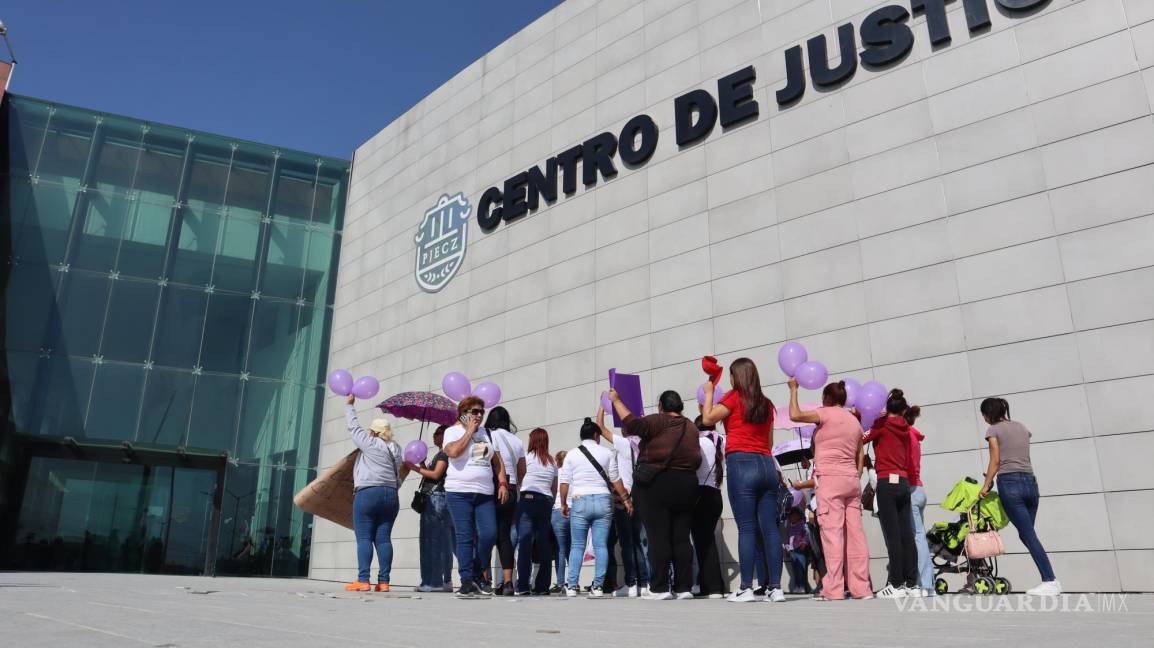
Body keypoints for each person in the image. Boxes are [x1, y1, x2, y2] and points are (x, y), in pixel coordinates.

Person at [700, 357, 785, 603]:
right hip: (766, 464)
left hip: (742, 463)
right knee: (770, 529)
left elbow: (707, 419)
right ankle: (776, 587)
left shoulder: (734, 397)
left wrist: (708, 393)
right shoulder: (767, 404)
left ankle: (746, 587)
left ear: (737, 377)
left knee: (747, 528)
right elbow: (769, 443)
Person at [610, 388, 701, 601]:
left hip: (657, 483)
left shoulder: (658, 421)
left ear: (661, 407)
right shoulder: (691, 426)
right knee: (681, 537)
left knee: (658, 536)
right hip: (687, 483)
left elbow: (632, 424)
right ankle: (683, 587)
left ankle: (659, 587)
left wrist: (616, 400)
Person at [788, 378, 872, 600]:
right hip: (851, 480)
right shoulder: (855, 421)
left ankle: (834, 589)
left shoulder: (824, 413)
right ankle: (861, 588)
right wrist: (856, 472)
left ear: (826, 398)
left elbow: (795, 415)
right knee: (855, 535)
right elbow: (860, 455)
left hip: (830, 480)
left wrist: (794, 389)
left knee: (832, 534)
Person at [978, 397, 1061, 596]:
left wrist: (986, 484)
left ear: (987, 414)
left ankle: (1050, 580)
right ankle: (1048, 580)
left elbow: (996, 460)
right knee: (1026, 534)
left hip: (1010, 483)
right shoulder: (1022, 427)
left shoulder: (993, 430)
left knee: (1029, 534)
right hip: (1031, 483)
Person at [442, 396, 509, 597]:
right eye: (474, 411)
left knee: (489, 535)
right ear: (463, 413)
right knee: (465, 537)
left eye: (481, 411)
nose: (479, 415)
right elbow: (453, 452)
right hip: (458, 492)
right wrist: (469, 431)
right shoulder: (451, 431)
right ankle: (467, 581)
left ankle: (477, 574)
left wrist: (503, 482)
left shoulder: (488, 433)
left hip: (484, 493)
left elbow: (497, 462)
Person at [559, 418, 632, 597]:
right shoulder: (607, 453)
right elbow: (615, 479)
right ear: (596, 435)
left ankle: (573, 586)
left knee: (577, 545)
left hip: (580, 499)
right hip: (603, 500)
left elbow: (564, 482)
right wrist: (625, 499)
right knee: (601, 546)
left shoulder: (572, 454)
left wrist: (563, 503)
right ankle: (598, 586)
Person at [344, 393, 410, 592]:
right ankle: (384, 582)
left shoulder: (371, 443)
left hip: (368, 493)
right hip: (391, 495)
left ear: (373, 432)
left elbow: (353, 427)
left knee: (364, 537)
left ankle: (363, 580)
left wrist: (349, 406)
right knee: (383, 538)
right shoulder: (396, 448)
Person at [862, 388, 920, 598]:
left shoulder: (882, 425)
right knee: (907, 535)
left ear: (887, 408)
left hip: (887, 482)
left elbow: (861, 438)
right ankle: (912, 584)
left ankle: (895, 584)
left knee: (893, 536)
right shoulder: (906, 426)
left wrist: (874, 420)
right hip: (903, 482)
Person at [595, 405, 649, 597]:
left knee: (627, 542)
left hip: (625, 498)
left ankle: (632, 583)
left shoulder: (624, 444)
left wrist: (603, 406)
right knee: (641, 542)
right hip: (643, 497)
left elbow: (600, 427)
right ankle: (645, 582)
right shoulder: (646, 444)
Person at [482, 406, 526, 596]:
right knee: (504, 536)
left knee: (483, 534)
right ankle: (508, 583)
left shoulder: (489, 435)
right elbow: (523, 470)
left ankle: (484, 581)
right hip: (511, 489)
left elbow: (490, 459)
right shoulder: (517, 440)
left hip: (493, 487)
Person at [406, 425, 454, 592]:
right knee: (443, 541)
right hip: (440, 498)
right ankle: (445, 580)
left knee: (431, 541)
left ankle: (433, 582)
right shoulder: (442, 453)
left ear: (444, 435)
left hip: (437, 499)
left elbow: (436, 475)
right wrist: (422, 463)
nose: (433, 437)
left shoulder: (444, 453)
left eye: (436, 434)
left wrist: (415, 468)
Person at [514, 427, 556, 595]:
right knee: (543, 544)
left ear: (532, 440)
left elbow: (520, 478)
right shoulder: (552, 462)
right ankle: (543, 586)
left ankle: (523, 586)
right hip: (546, 502)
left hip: (528, 499)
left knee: (525, 543)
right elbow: (553, 487)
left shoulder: (527, 457)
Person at [691, 414, 725, 598]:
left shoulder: (698, 442)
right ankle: (708, 583)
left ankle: (713, 587)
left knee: (704, 542)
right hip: (715, 494)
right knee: (706, 540)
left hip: (700, 493)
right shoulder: (721, 441)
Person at [906, 409, 933, 596]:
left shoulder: (905, 436)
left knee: (917, 538)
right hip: (919, 488)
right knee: (919, 536)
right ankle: (925, 583)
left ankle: (924, 584)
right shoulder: (913, 435)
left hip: (911, 489)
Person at [550, 450, 570, 593]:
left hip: (557, 510)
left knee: (560, 549)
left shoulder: (556, 473)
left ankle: (561, 582)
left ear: (557, 461)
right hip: (572, 511)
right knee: (572, 549)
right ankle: (573, 581)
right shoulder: (573, 474)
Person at [783, 508, 811, 594]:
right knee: (795, 570)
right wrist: (787, 548)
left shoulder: (802, 523)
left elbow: (806, 534)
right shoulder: (790, 526)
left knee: (801, 569)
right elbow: (789, 537)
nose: (792, 517)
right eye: (790, 516)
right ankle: (797, 586)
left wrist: (804, 543)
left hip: (800, 548)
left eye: (794, 515)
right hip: (792, 550)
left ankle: (802, 586)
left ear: (798, 516)